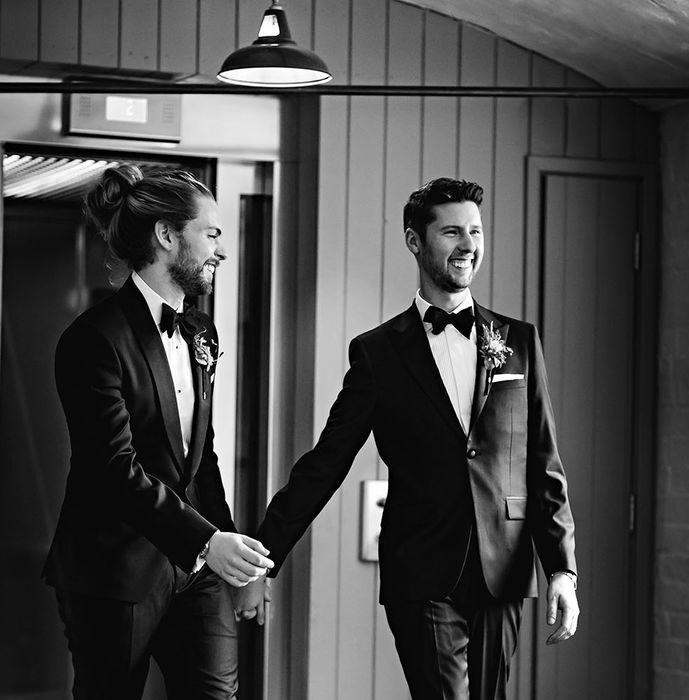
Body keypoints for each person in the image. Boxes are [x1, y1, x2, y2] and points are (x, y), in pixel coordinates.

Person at [238, 177, 579, 698]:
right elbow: (325, 463)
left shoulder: (519, 342)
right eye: (451, 232)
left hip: (504, 567)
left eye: (476, 231)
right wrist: (262, 558)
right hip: (420, 572)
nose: (468, 245)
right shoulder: (378, 354)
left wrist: (562, 569)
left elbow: (543, 463)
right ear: (415, 241)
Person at [43, 165, 274, 700]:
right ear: (167, 236)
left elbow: (202, 458)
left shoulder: (201, 329)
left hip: (198, 569)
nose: (221, 249)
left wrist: (231, 555)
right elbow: (112, 469)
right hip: (113, 569)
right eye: (211, 233)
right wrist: (207, 541)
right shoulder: (93, 339)